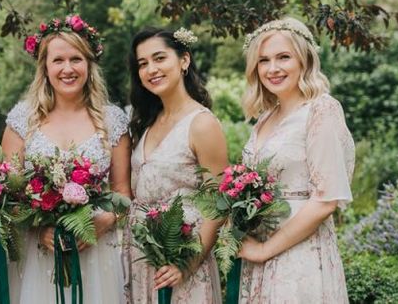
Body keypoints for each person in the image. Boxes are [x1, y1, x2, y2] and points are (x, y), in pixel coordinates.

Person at [1, 14, 131, 304]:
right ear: (45, 67)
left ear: (89, 65)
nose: (67, 69)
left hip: (96, 251)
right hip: (41, 254)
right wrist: (38, 228)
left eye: (76, 59)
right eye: (58, 60)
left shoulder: (112, 120)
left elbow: (122, 191)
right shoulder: (23, 120)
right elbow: (10, 194)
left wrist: (103, 221)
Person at [237, 17, 355, 303]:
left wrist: (265, 250)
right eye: (264, 60)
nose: (273, 68)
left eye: (283, 57)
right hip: (260, 252)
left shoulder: (321, 110)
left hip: (300, 255)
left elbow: (326, 200)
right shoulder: (265, 118)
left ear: (304, 60)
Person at [126, 27, 226, 304]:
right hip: (141, 258)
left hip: (182, 261)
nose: (151, 69)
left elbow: (218, 201)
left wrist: (188, 263)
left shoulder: (201, 123)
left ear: (184, 60)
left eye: (159, 58)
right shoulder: (147, 121)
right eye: (142, 64)